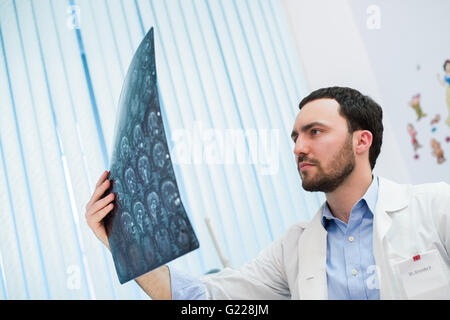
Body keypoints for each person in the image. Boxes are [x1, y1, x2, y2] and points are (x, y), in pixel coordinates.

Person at [85, 86, 450, 300]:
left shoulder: (435, 208)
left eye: (315, 132)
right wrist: (124, 243)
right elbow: (202, 299)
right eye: (295, 137)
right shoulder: (295, 248)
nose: (298, 147)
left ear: (361, 141)